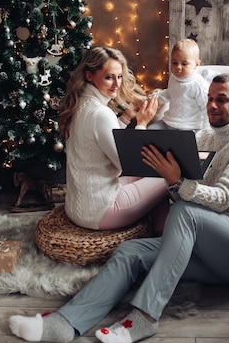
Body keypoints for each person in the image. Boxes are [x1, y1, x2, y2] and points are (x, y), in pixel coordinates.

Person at [9, 72, 229, 343]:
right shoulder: (203, 138)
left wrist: (175, 180)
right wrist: (165, 174)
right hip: (204, 251)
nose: (212, 105)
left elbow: (221, 199)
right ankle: (66, 323)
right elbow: (182, 191)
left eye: (222, 99)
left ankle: (145, 315)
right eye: (209, 98)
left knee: (185, 213)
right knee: (129, 252)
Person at [57, 45, 169, 230]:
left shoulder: (81, 104)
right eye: (109, 77)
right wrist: (142, 123)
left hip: (78, 207)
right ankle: (162, 236)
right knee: (168, 176)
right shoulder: (100, 113)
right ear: (89, 76)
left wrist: (126, 118)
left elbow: (104, 138)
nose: (117, 84)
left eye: (119, 76)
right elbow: (129, 164)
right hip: (101, 211)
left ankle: (159, 232)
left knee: (153, 171)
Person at [149, 38, 209, 131]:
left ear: (196, 64)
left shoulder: (198, 84)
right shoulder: (173, 78)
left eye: (184, 64)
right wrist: (156, 99)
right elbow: (169, 93)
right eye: (174, 63)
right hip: (169, 122)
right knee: (151, 130)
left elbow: (206, 108)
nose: (178, 67)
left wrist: (205, 131)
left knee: (180, 143)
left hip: (189, 126)